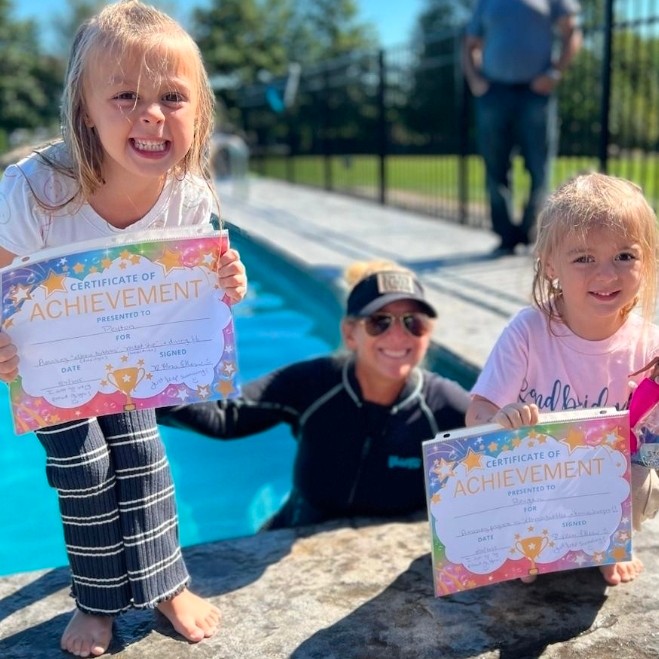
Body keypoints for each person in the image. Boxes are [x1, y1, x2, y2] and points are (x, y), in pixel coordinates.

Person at [0, 1, 247, 656]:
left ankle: (166, 583)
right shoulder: (36, 191)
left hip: (131, 354)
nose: (152, 114)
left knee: (141, 453)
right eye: (126, 96)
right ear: (85, 110)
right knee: (82, 464)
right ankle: (97, 599)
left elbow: (202, 281)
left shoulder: (187, 194)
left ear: (198, 110)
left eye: (172, 97)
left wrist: (228, 281)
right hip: (53, 360)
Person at [158, 261, 471, 529]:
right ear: (350, 333)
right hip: (294, 535)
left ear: (428, 334)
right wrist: (145, 384)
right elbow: (225, 416)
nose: (398, 336)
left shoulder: (444, 405)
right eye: (380, 322)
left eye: (413, 323)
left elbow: (494, 469)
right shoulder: (315, 383)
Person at [466, 172, 659, 586]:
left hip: (601, 487)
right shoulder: (528, 331)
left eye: (624, 256)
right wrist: (501, 419)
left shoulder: (649, 344)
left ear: (647, 261)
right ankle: (529, 546)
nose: (606, 275)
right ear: (551, 264)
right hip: (536, 482)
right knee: (502, 473)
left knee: (642, 472)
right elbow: (477, 412)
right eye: (584, 258)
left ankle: (609, 541)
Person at [462, 0, 582, 255]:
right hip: (493, 92)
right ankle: (505, 237)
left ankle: (531, 233)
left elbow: (571, 32)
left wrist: (554, 73)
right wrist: (475, 81)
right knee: (494, 166)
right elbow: (469, 45)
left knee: (540, 166)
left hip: (535, 92)